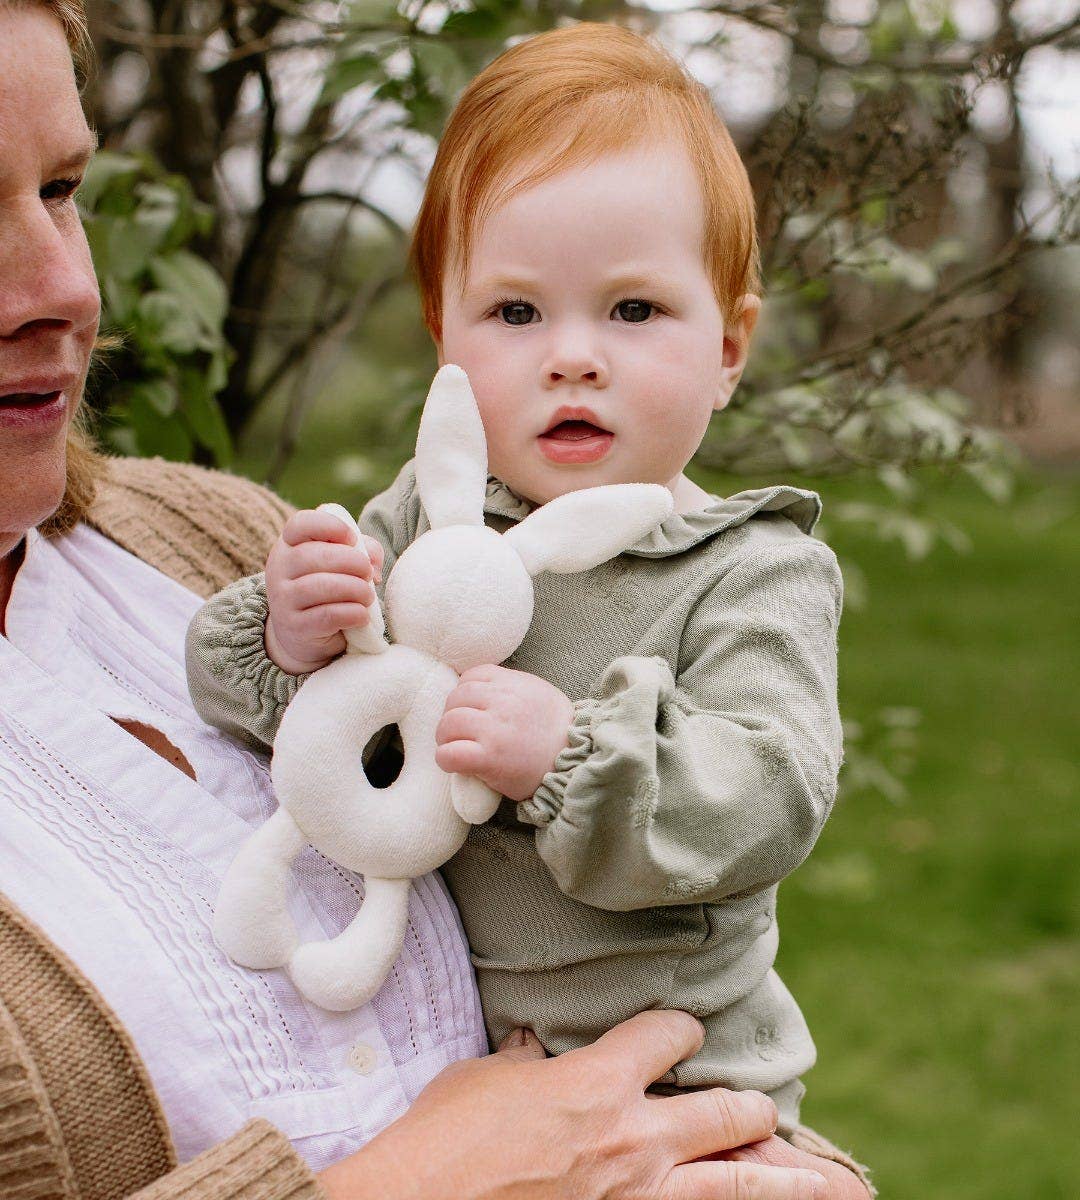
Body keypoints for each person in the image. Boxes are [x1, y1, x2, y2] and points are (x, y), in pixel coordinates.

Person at [0, 2, 873, 1198]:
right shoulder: (424, 519)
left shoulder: (746, 564)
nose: (573, 355)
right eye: (517, 313)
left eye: (60, 189)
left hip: (687, 1079)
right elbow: (267, 697)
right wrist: (285, 629)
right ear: (444, 338)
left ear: (730, 347)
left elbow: (767, 790)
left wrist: (564, 757)